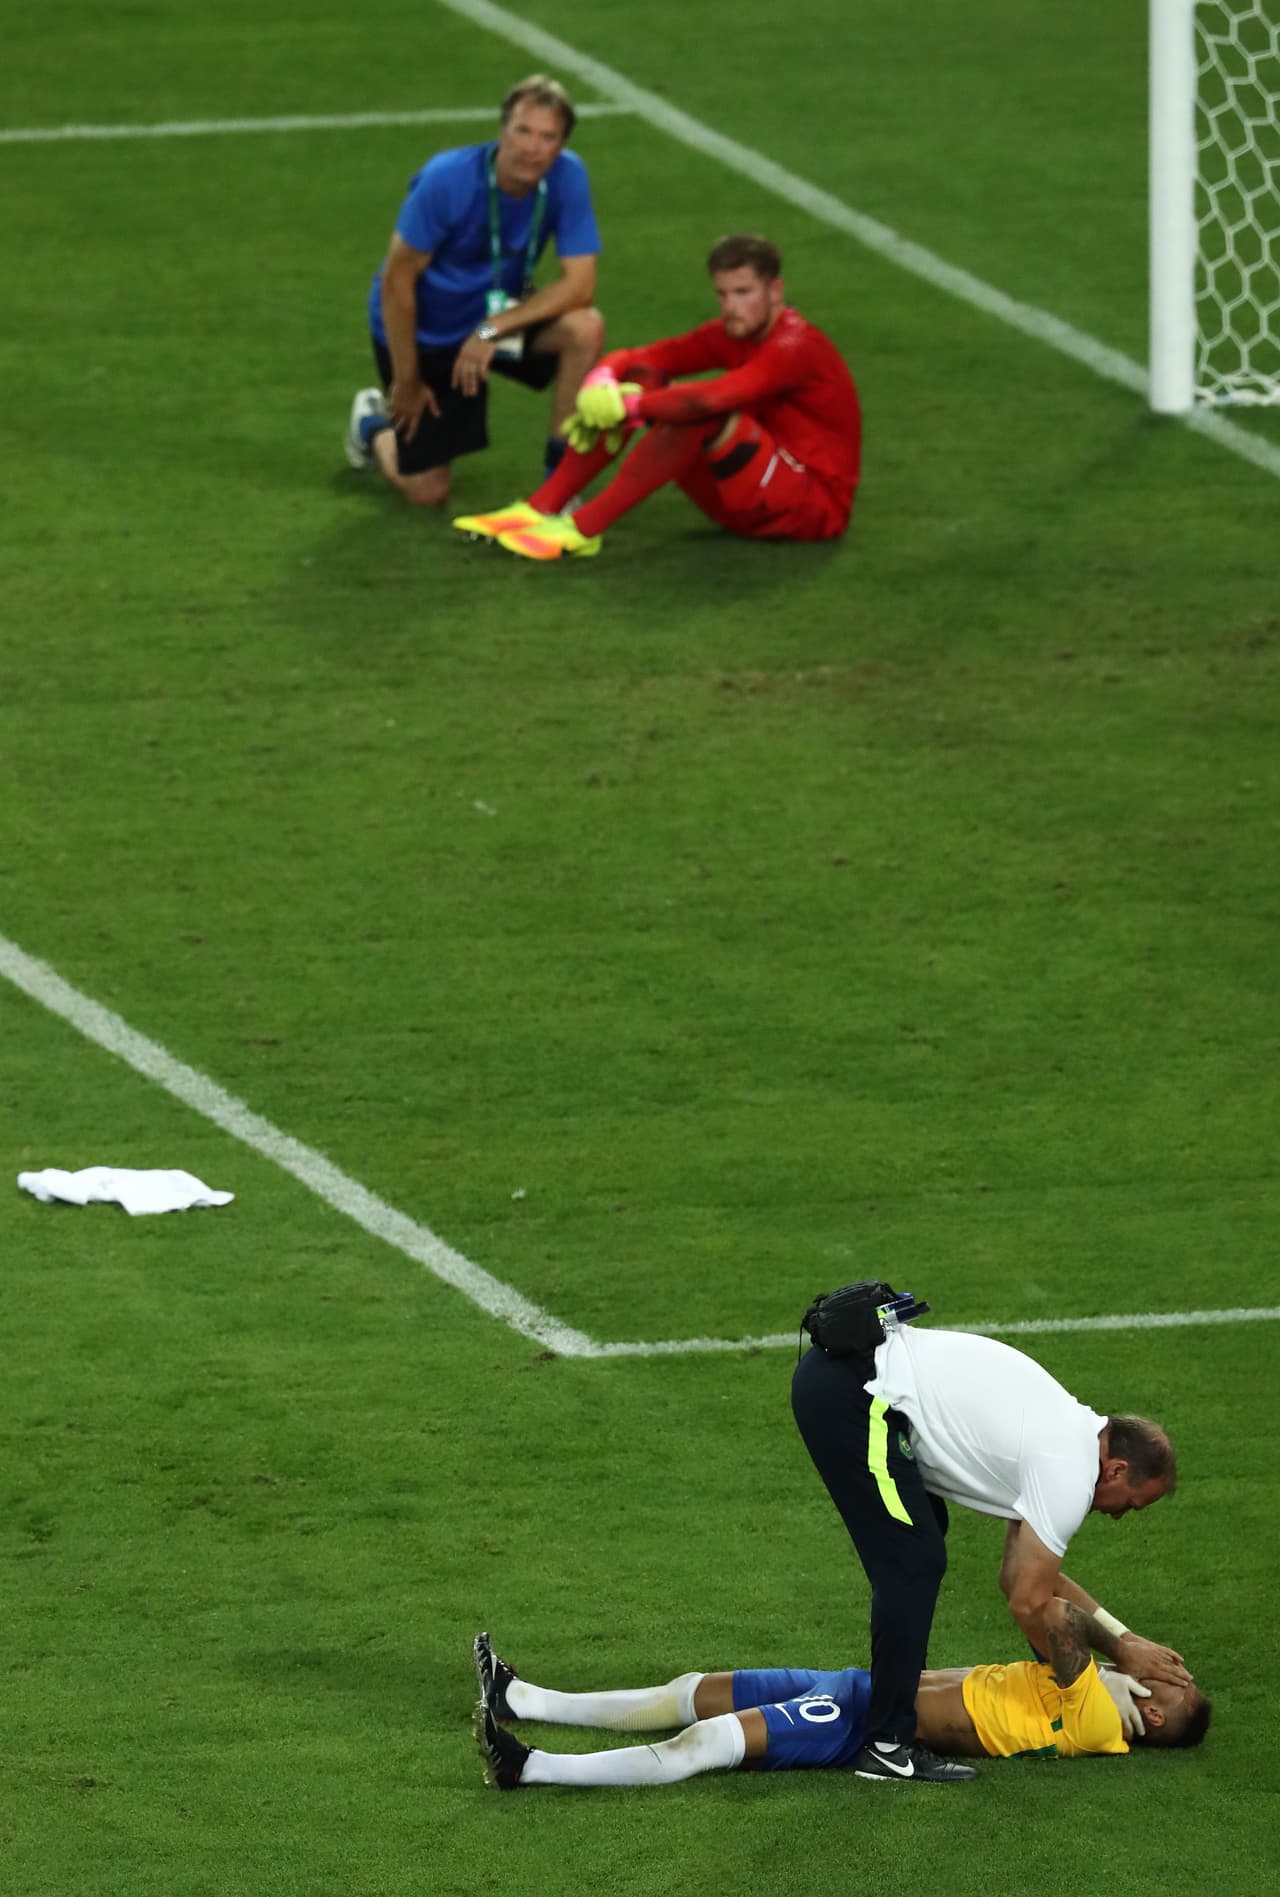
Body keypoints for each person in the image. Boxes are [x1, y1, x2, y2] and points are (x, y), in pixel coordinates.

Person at [790, 1297, 1191, 1784]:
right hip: (854, 1395)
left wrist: (1122, 1639)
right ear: (1118, 1470)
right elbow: (1028, 1603)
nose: (1119, 1516)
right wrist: (1101, 1664)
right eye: (1130, 1503)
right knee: (914, 1563)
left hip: (851, 1380)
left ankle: (887, 1727)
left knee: (920, 1546)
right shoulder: (1069, 1474)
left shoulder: (1068, 1435)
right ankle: (888, 1745)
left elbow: (1018, 1577)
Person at [450, 233, 861, 559]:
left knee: (696, 408)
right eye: (722, 294)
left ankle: (584, 529)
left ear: (775, 291)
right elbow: (641, 358)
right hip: (748, 496)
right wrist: (603, 378)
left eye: (743, 292)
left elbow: (710, 400)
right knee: (639, 377)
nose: (729, 307)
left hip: (809, 507)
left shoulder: (794, 345)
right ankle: (542, 507)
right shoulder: (733, 332)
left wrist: (631, 408)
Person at [471, 1614, 1211, 1792]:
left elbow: (1052, 1609)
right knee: (686, 1690)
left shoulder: (1090, 1715)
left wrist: (1124, 1638)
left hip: (864, 1718)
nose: (1168, 1665)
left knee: (709, 1739)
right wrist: (1128, 1650)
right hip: (859, 1684)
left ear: (1152, 1714)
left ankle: (531, 1766)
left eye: (1175, 1679)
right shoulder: (1090, 1698)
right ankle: (521, 1695)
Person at [343, 74, 604, 507]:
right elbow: (396, 281)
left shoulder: (567, 176)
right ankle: (372, 425)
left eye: (547, 137)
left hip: (491, 319)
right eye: (522, 131)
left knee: (585, 329)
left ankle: (560, 487)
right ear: (502, 130)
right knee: (428, 491)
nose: (531, 147)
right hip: (427, 331)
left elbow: (581, 285)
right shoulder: (447, 180)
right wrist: (407, 380)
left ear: (560, 145)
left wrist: (491, 330)